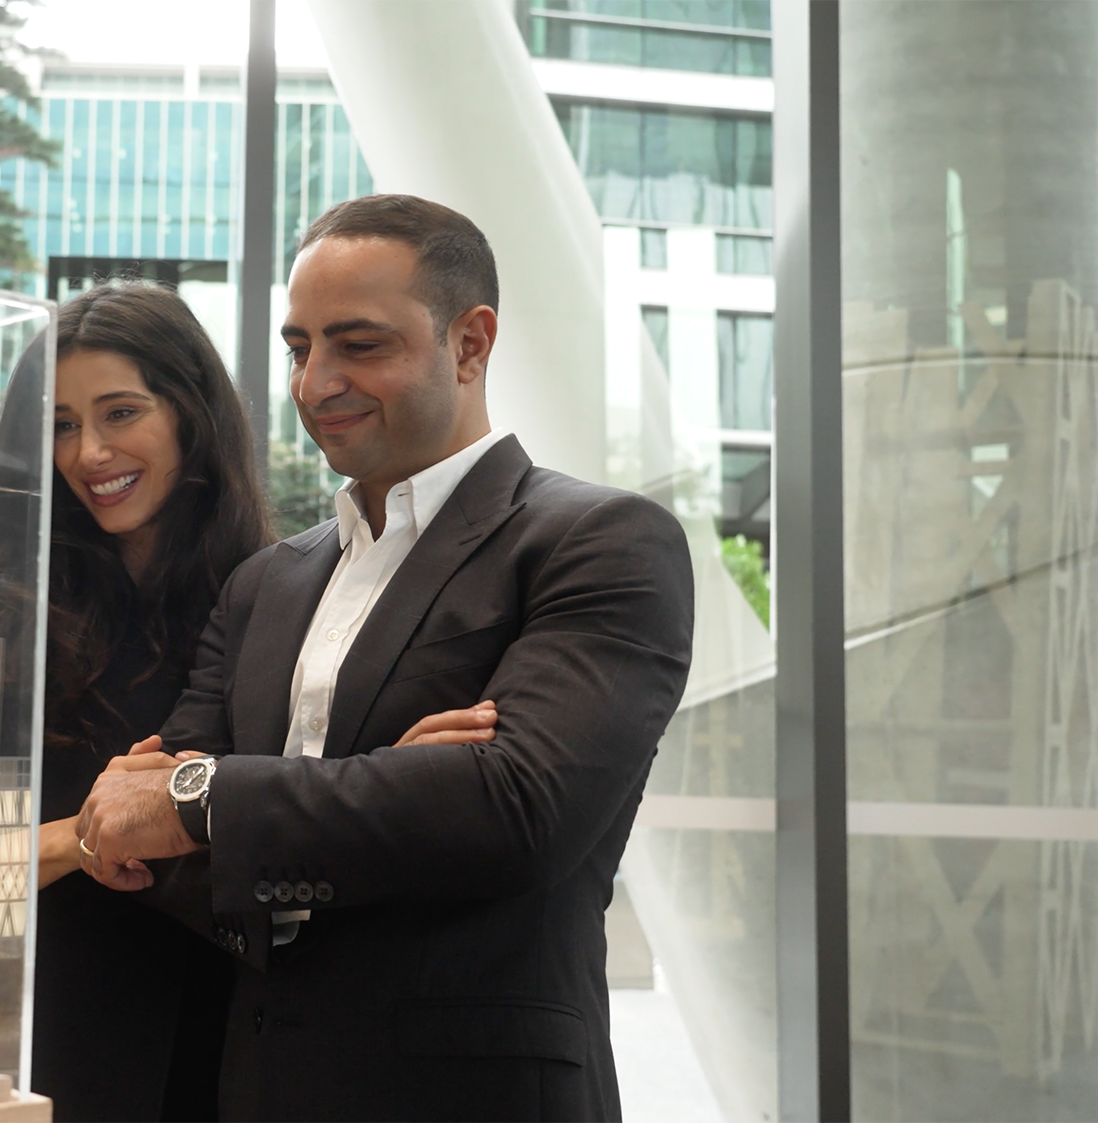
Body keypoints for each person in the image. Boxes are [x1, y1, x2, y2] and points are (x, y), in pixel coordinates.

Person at [74, 195, 696, 1122]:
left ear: (470, 343)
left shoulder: (599, 541)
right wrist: (389, 788)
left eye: (359, 344)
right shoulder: (263, 584)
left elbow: (518, 812)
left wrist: (206, 799)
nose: (315, 382)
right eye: (299, 348)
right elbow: (152, 851)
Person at [0, 282, 497, 1123]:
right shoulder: (1, 606)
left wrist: (389, 782)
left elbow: (326, 828)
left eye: (121, 412)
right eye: (60, 424)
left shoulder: (287, 592)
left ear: (190, 414)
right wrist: (89, 835)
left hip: (241, 1037)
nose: (90, 452)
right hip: (56, 1038)